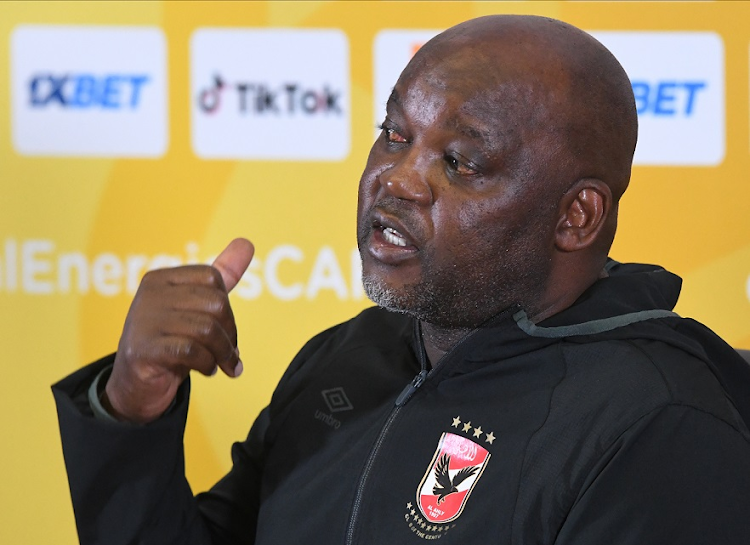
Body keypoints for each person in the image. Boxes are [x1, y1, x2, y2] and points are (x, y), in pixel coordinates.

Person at [53, 14, 750, 545]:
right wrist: (133, 407)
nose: (398, 178)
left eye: (460, 161)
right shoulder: (348, 357)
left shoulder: (658, 424)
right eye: (393, 133)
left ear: (576, 215)